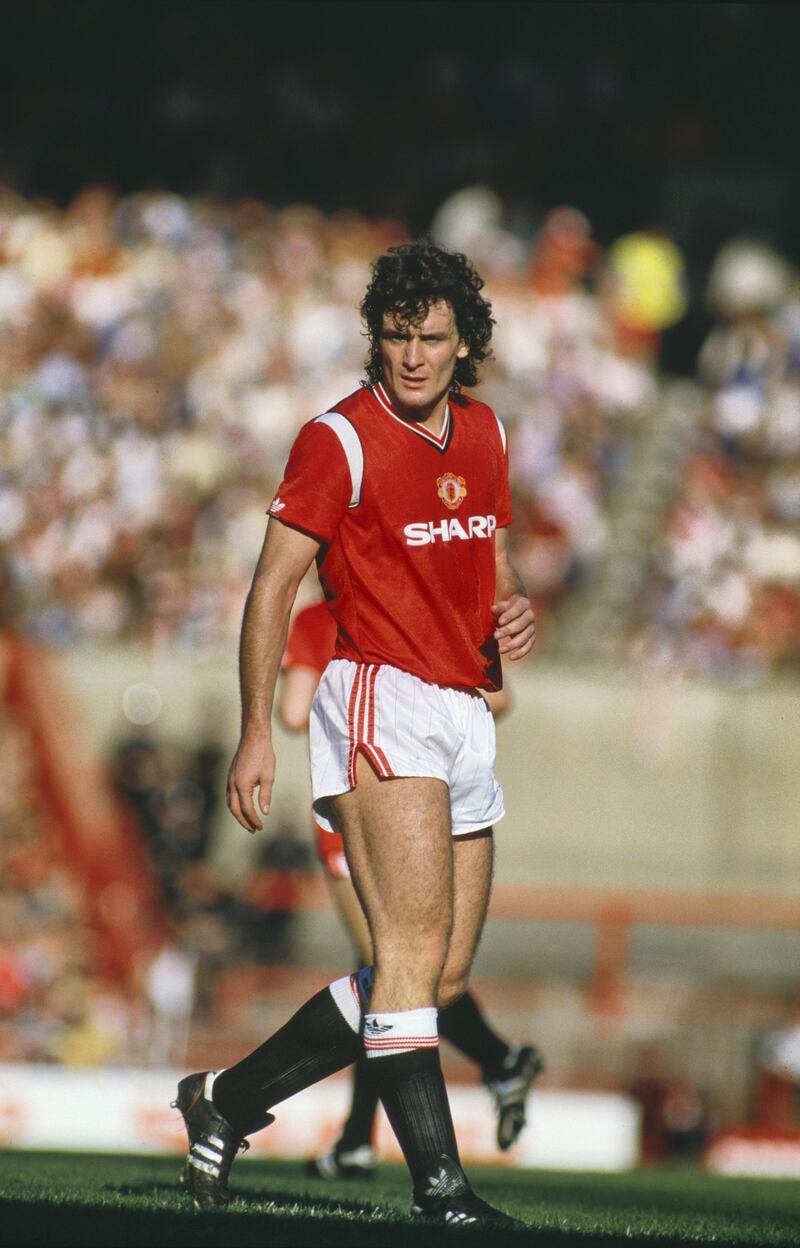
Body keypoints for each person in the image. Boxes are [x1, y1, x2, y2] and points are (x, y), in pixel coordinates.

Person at [172, 240, 536, 1225]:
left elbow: (488, 566)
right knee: (411, 958)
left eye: (431, 338)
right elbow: (270, 589)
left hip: (462, 710)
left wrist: (510, 612)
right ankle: (441, 1190)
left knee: (436, 974)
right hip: (381, 698)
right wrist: (258, 731)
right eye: (394, 335)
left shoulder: (487, 436)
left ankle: (225, 1102)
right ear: (372, 337)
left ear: (467, 345)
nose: (412, 355)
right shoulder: (336, 440)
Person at [278, 598, 544, 1178]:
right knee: (400, 968)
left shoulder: (321, 620)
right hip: (433, 801)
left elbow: (295, 714)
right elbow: (501, 699)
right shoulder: (433, 602)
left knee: (395, 969)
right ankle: (361, 1136)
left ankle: (495, 1064)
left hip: (365, 801)